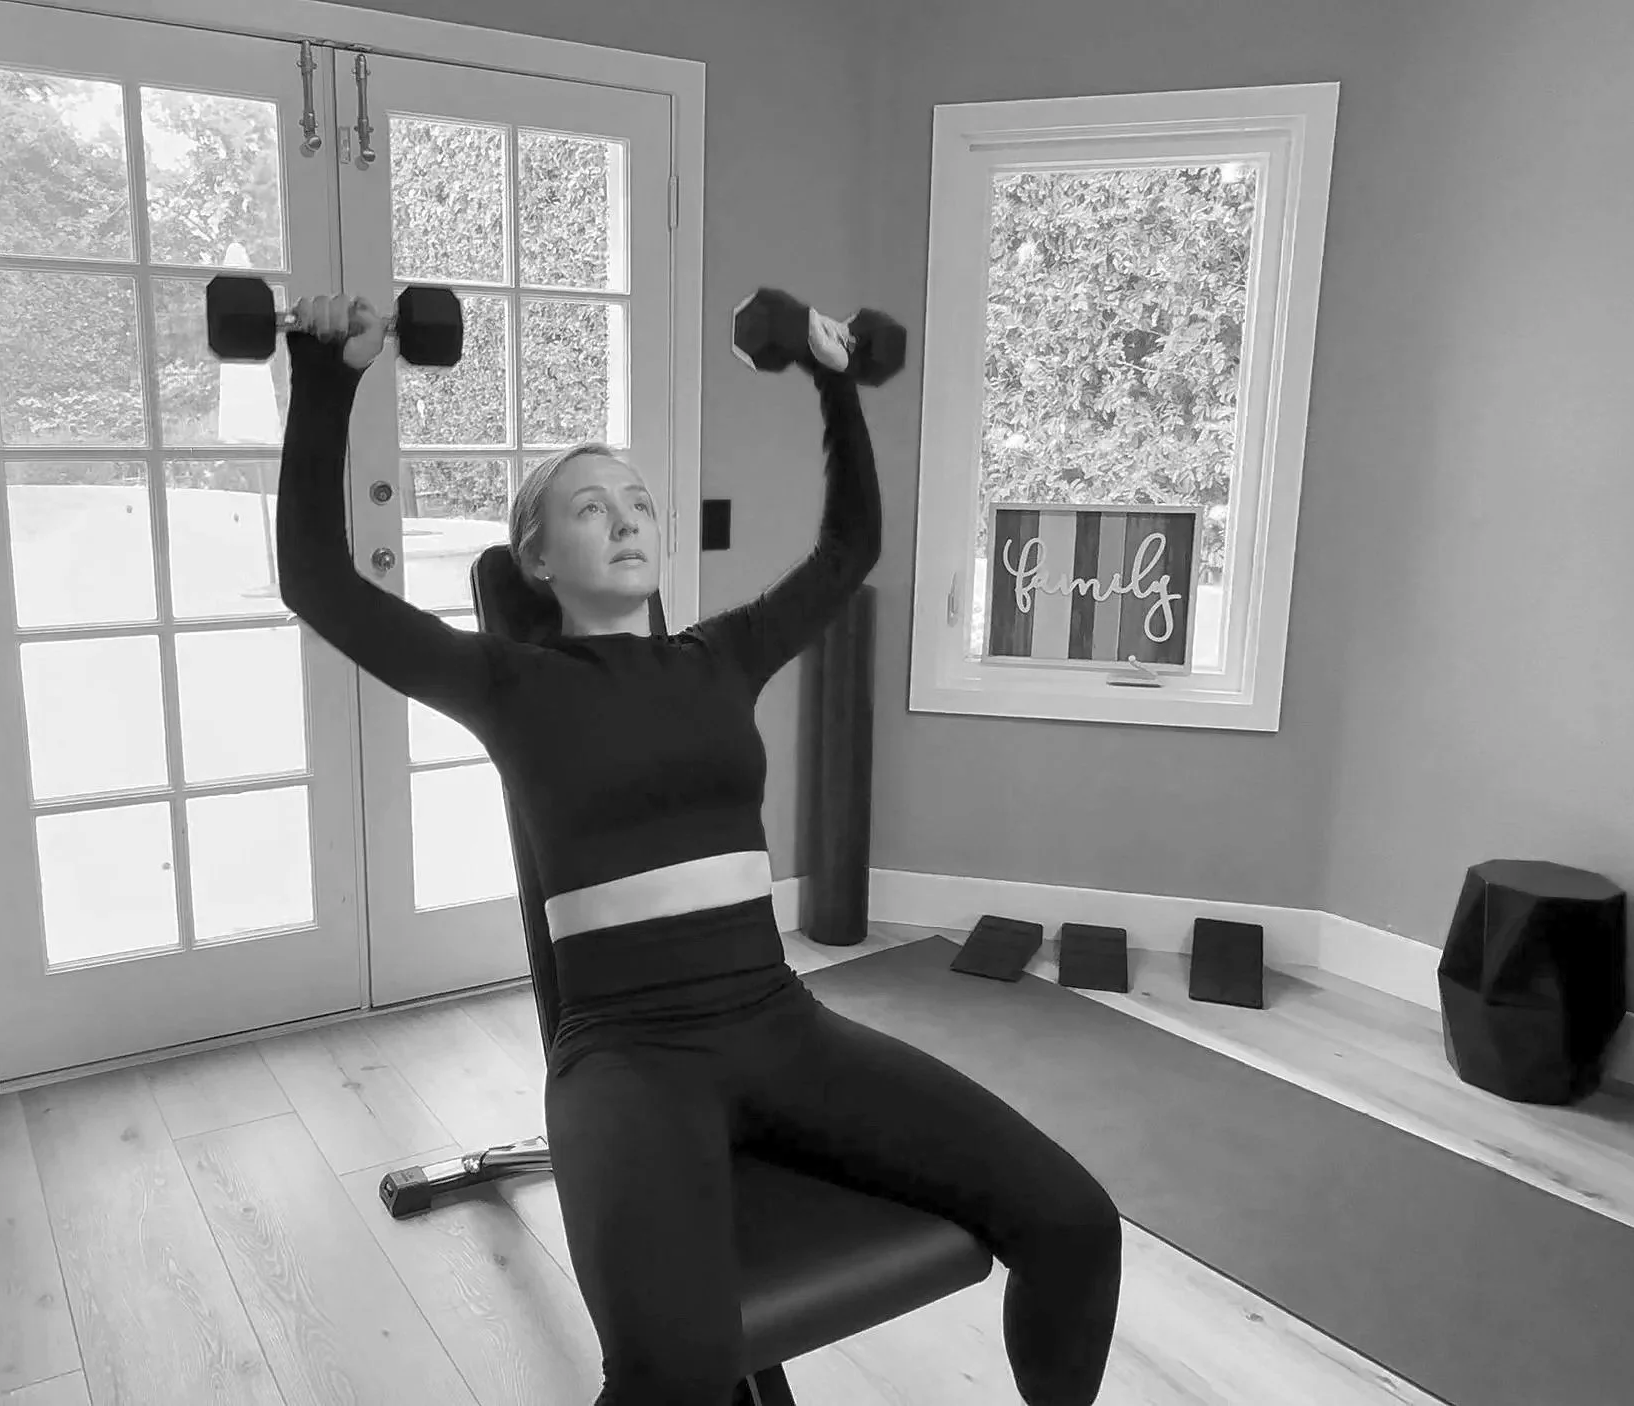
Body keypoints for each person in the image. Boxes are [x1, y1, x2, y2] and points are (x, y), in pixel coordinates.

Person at [275, 294, 1122, 1405]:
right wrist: (326, 377)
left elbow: (849, 544)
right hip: (626, 1055)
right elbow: (317, 582)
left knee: (1074, 1221)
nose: (626, 520)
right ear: (536, 557)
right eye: (588, 507)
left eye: (637, 502)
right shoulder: (506, 683)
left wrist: (834, 383)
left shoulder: (722, 656)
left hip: (780, 1024)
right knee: (673, 1367)